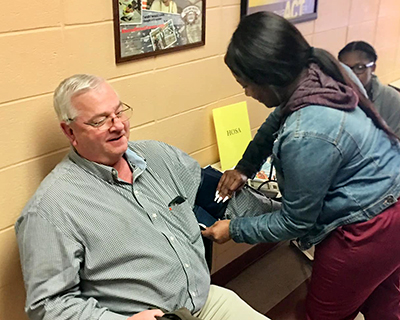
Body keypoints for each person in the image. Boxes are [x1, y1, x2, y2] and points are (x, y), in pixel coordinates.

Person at [15, 74, 277, 320]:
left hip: (203, 300)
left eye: (118, 112)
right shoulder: (51, 209)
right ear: (70, 132)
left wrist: (293, 217)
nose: (117, 126)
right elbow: (48, 306)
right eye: (100, 120)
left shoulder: (159, 157)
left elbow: (222, 198)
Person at [203, 12, 400, 319]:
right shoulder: (321, 72)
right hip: (391, 199)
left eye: (247, 85)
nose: (247, 94)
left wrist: (234, 229)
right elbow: (275, 121)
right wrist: (244, 168)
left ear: (271, 78)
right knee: (385, 303)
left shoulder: (305, 134)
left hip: (367, 229)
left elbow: (296, 222)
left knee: (323, 314)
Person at [338, 40, 400, 137]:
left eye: (359, 68)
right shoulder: (333, 95)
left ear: (372, 68)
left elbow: (396, 142)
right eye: (346, 68)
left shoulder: (391, 99)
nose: (352, 75)